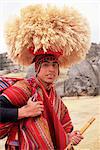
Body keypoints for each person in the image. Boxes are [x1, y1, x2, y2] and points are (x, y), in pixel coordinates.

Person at [0, 4, 91, 150]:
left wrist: (70, 137)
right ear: (37, 69)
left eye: (55, 65)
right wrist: (23, 112)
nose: (51, 70)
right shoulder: (26, 87)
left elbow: (61, 129)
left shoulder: (55, 98)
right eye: (46, 65)